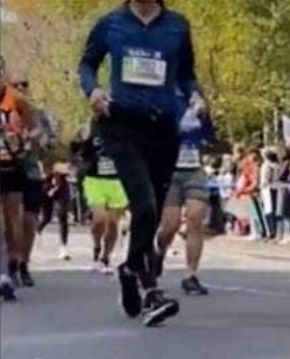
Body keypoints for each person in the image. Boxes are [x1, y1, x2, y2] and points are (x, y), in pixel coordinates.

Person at [79, 0, 205, 326]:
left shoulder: (177, 25)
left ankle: (131, 271)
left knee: (151, 214)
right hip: (121, 125)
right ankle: (149, 288)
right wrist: (92, 91)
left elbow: (187, 74)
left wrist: (196, 95)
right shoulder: (111, 23)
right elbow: (87, 64)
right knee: (145, 206)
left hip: (164, 129)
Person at [156, 96, 212, 296]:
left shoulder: (196, 98)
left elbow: (208, 136)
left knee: (195, 218)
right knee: (170, 226)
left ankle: (190, 275)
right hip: (169, 171)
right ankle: (159, 252)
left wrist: (204, 114)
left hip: (194, 169)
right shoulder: (160, 95)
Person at [0, 55, 38, 298]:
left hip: (12, 164)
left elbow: (35, 128)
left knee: (13, 219)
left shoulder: (16, 99)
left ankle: (14, 262)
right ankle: (3, 272)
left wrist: (23, 140)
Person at [80, 120, 129, 274]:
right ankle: (96, 247)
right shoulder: (93, 126)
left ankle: (105, 257)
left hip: (117, 181)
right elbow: (81, 152)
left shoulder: (125, 129)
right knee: (99, 219)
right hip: (95, 180)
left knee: (113, 223)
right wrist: (83, 138)